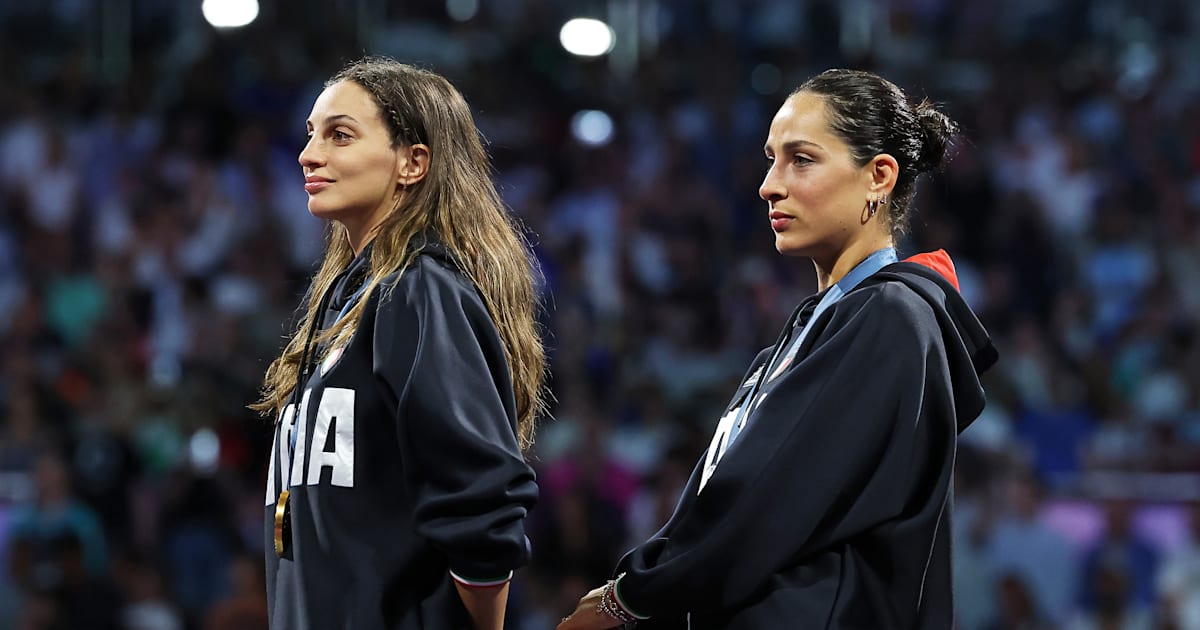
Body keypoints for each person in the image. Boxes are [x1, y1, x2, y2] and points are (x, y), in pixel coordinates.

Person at [559, 68, 998, 629]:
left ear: (878, 177)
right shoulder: (810, 332)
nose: (770, 183)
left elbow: (764, 502)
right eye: (771, 158)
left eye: (802, 159)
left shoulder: (891, 317)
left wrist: (633, 597)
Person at [254, 56, 546, 630]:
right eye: (311, 135)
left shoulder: (422, 292)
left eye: (340, 135)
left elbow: (483, 500)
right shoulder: (348, 299)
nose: (310, 155)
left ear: (413, 162)